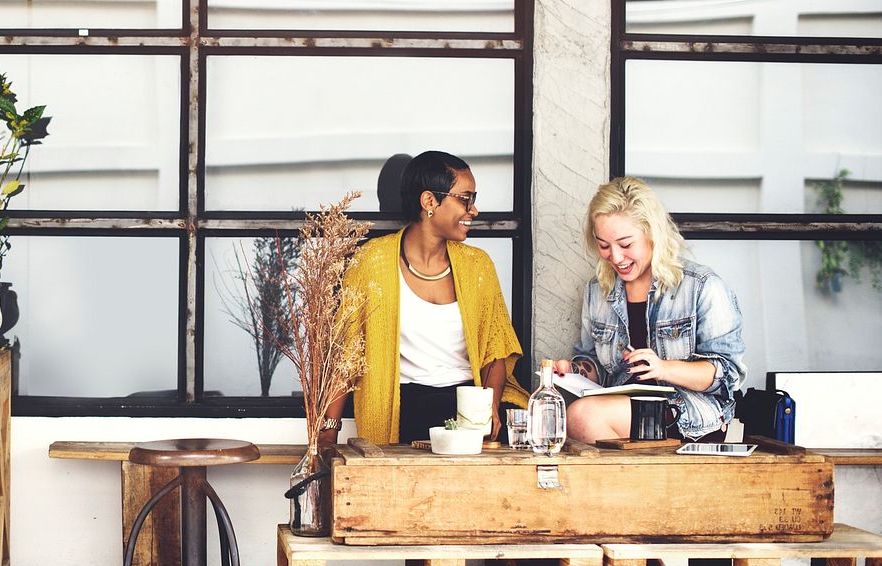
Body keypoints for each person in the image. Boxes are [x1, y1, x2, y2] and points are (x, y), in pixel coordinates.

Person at [319, 150, 528, 448]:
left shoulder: (478, 266)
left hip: (469, 399)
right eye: (465, 198)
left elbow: (496, 352)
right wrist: (327, 434)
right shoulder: (371, 263)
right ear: (429, 201)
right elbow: (345, 357)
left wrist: (489, 406)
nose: (474, 210)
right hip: (407, 403)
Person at [551, 176, 746, 444]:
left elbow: (726, 376)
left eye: (626, 244)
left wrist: (663, 368)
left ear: (653, 233)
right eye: (604, 246)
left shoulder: (702, 286)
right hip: (623, 411)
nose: (616, 258)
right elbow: (594, 362)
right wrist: (575, 371)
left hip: (691, 414)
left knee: (583, 417)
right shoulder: (598, 290)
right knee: (573, 416)